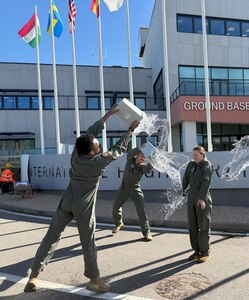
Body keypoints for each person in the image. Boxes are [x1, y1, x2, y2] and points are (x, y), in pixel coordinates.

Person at [24, 106, 140, 293]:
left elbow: (91, 133)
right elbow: (118, 149)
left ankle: (34, 275)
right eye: (97, 147)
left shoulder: (77, 153)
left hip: (67, 200)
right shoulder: (98, 163)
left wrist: (109, 115)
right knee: (88, 243)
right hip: (83, 206)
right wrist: (129, 130)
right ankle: (94, 280)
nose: (100, 147)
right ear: (92, 153)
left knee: (51, 236)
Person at [111, 147, 153, 241]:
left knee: (141, 210)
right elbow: (130, 153)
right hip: (124, 187)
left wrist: (153, 161)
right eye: (141, 155)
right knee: (116, 206)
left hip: (135, 188)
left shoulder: (142, 166)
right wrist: (140, 148)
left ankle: (147, 232)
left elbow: (147, 169)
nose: (142, 158)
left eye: (144, 157)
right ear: (137, 155)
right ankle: (118, 223)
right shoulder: (130, 160)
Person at [182, 146, 213, 263]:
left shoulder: (206, 165)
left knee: (204, 225)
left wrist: (201, 199)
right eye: (193, 154)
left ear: (203, 154)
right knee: (192, 225)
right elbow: (185, 179)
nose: (194, 157)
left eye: (196, 155)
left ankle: (205, 252)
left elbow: (206, 182)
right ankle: (197, 251)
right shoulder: (191, 165)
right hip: (191, 198)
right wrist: (182, 192)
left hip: (202, 198)